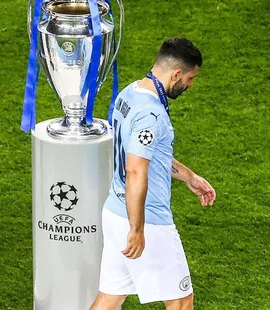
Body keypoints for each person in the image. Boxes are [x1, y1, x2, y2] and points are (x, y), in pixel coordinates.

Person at [90, 37, 216, 310]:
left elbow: (148, 154)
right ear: (177, 73)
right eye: (191, 78)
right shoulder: (151, 113)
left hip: (114, 211)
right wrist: (137, 229)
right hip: (146, 219)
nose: (191, 85)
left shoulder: (129, 93)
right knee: (181, 301)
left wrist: (189, 176)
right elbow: (135, 170)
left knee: (109, 299)